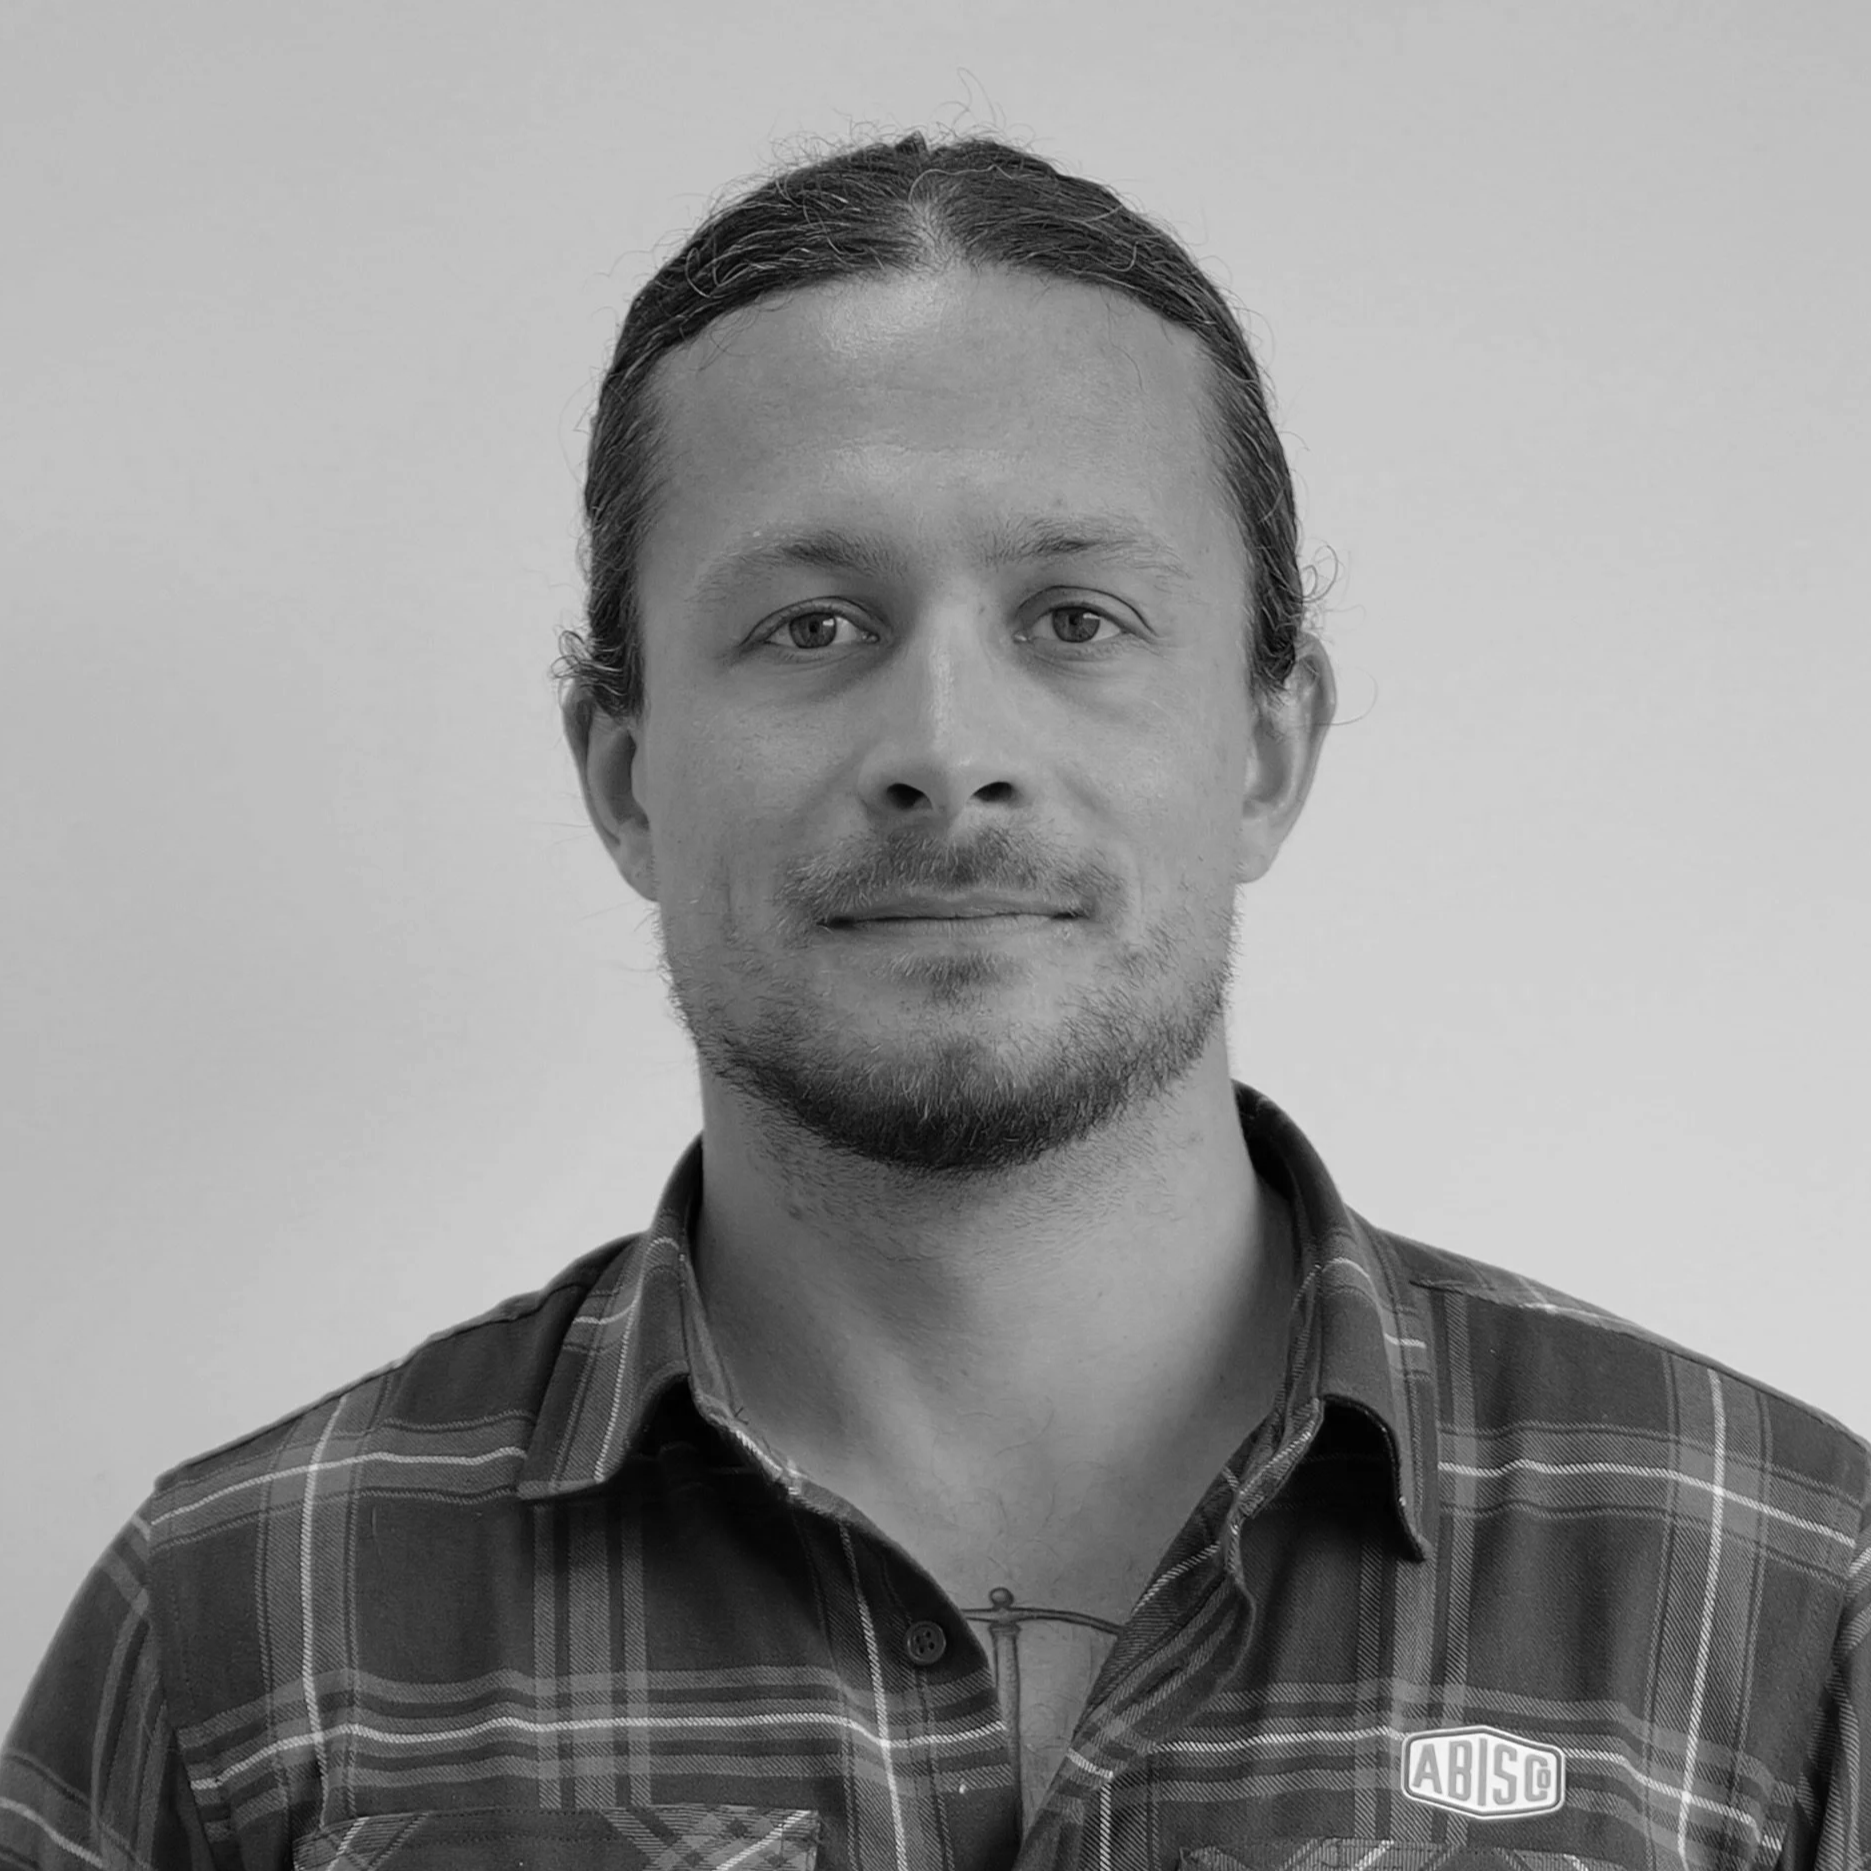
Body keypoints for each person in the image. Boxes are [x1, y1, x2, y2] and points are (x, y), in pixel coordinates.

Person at [3, 127, 1865, 1871]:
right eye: (810, 624)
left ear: (1265, 753)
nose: (946, 747)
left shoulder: (1780, 1594)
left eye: (1075, 617)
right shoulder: (239, 1625)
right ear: (623, 775)